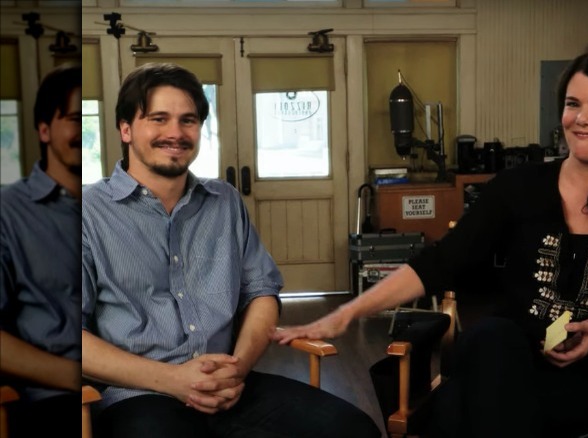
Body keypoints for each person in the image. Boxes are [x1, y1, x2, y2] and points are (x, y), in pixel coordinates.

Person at [274, 48, 588, 437]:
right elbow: (439, 263)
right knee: (492, 340)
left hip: (586, 378)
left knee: (457, 403)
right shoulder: (520, 186)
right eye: (573, 104)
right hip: (503, 357)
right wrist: (345, 314)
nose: (580, 118)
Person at [81, 62, 380, 438]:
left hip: (232, 384)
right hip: (141, 393)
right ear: (125, 129)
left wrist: (237, 368)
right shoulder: (84, 212)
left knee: (353, 429)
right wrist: (174, 379)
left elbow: (261, 293)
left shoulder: (224, 201)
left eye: (188, 120)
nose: (175, 132)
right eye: (158, 119)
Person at [0, 63, 82, 435]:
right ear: (45, 129)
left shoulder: (115, 206)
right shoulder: (8, 213)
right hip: (56, 399)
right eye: (74, 118)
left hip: (138, 385)